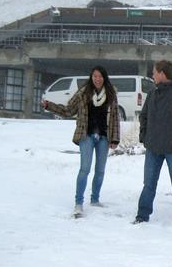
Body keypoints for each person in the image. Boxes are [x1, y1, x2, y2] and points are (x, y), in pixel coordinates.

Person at [42, 66, 120, 218]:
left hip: (104, 136)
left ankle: (95, 199)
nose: (97, 79)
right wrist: (49, 106)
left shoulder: (111, 94)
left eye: (100, 76)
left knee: (100, 170)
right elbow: (68, 110)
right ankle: (78, 203)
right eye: (94, 76)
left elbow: (115, 117)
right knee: (85, 169)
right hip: (86, 135)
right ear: (91, 78)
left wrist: (115, 138)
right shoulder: (83, 92)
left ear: (104, 78)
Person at [134, 60, 172, 228]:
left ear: (162, 73)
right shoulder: (153, 92)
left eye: (154, 72)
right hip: (153, 146)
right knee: (149, 184)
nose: (152, 75)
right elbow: (144, 116)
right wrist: (144, 136)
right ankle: (142, 215)